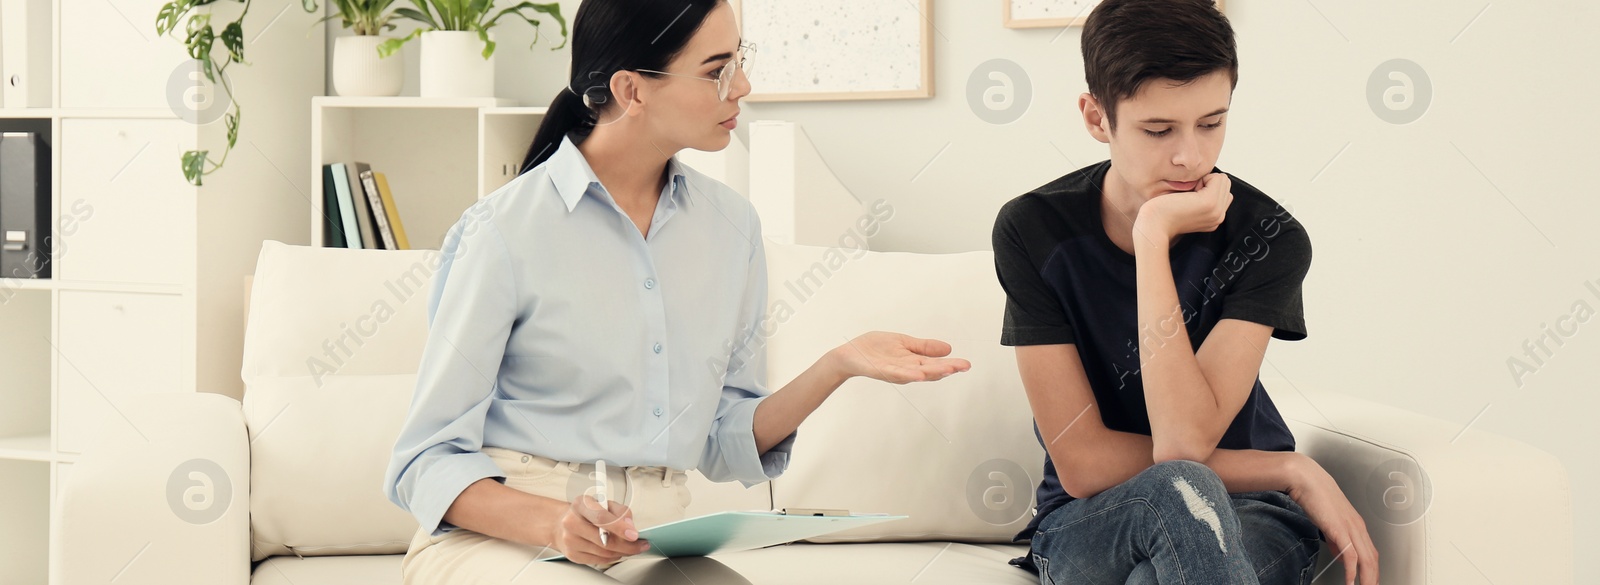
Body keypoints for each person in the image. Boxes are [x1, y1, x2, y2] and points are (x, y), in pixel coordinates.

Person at [381, 1, 971, 582]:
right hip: (504, 538)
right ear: (632, 90)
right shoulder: (502, 232)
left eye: (740, 60)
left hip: (650, 540)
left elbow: (721, 437)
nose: (742, 85)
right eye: (717, 70)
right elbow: (424, 462)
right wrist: (557, 522)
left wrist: (838, 365)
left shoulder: (732, 227)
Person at [991, 1, 1378, 584]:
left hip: (1246, 509)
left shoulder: (1268, 237)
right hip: (1096, 516)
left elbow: (1184, 440)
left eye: (1211, 122)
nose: (1191, 157)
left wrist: (1151, 239)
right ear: (1097, 118)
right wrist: (1291, 469)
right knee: (1179, 490)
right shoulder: (1032, 230)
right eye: (1158, 130)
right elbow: (1084, 462)